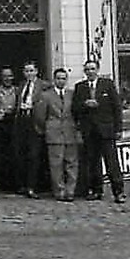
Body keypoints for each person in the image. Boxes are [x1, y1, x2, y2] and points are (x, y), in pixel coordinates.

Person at [72, 59, 125, 203]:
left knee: (111, 162)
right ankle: (96, 190)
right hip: (89, 131)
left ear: (97, 70)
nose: (90, 72)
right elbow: (75, 109)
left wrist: (118, 128)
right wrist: (85, 104)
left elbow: (117, 107)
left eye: (92, 69)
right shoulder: (80, 87)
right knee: (93, 162)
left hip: (106, 130)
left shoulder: (107, 85)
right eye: (87, 69)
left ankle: (118, 192)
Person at [43, 67, 80, 202]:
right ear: (54, 79)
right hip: (54, 134)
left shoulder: (72, 94)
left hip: (70, 132)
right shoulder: (46, 95)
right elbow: (41, 116)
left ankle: (71, 191)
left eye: (64, 78)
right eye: (58, 78)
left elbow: (76, 113)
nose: (61, 81)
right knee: (56, 164)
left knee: (72, 163)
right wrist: (47, 129)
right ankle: (59, 191)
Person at [16, 61, 48, 197]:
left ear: (36, 72)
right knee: (22, 154)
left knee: (34, 155)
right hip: (22, 121)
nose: (28, 73)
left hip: (35, 122)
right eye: (26, 71)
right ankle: (23, 185)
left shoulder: (44, 86)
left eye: (31, 71)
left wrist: (33, 108)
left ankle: (32, 187)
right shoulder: (21, 85)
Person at [0, 66, 20, 193]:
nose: (7, 79)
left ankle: (14, 185)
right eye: (5, 76)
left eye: (9, 76)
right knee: (0, 154)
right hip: (0, 124)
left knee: (14, 153)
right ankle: (0, 184)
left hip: (14, 123)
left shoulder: (18, 90)